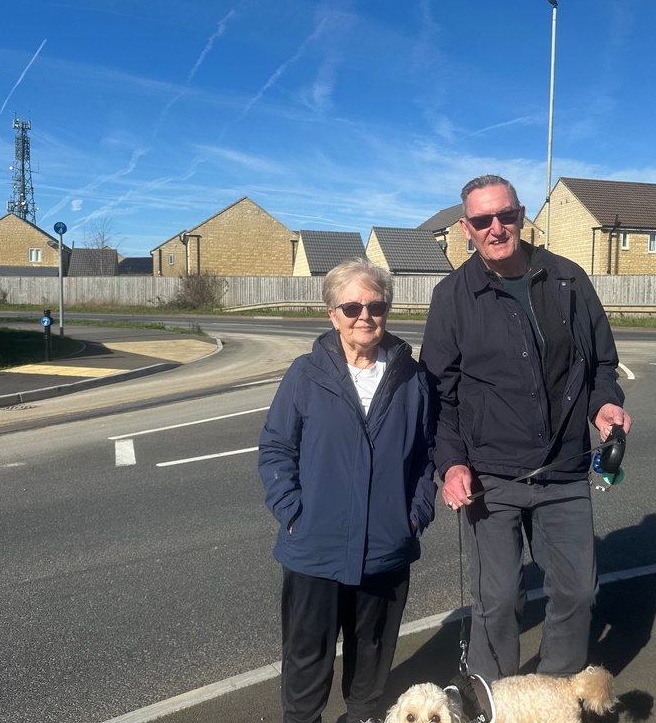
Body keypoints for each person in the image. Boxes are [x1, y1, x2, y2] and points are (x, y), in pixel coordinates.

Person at [421, 174, 632, 682]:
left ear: (520, 216)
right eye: (482, 220)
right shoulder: (453, 296)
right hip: (490, 477)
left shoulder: (567, 280)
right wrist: (450, 464)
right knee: (496, 602)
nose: (496, 228)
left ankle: (554, 695)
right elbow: (438, 396)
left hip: (563, 469)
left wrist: (603, 405)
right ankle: (495, 700)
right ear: (466, 229)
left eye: (506, 215)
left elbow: (602, 363)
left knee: (579, 592)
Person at [258, 257, 438, 723]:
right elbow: (276, 448)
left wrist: (414, 514)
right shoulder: (304, 374)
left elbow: (425, 455)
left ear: (387, 310)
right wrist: (293, 512)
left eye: (375, 306)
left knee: (371, 667)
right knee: (306, 663)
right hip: (313, 549)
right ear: (332, 314)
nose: (365, 316)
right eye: (352, 306)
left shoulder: (412, 379)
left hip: (385, 549)